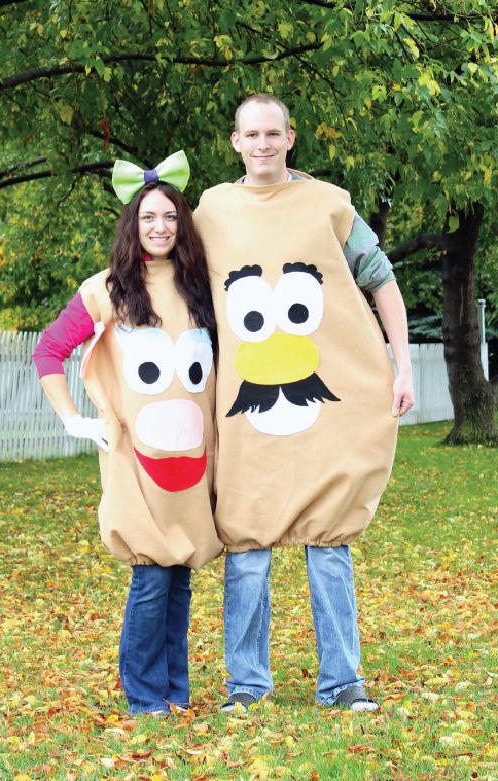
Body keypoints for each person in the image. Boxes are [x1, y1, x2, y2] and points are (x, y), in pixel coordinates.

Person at [193, 94, 415, 713]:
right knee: (248, 540)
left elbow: (382, 279)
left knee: (329, 536)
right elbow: (173, 276)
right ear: (234, 141)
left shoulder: (329, 204)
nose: (262, 143)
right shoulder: (213, 209)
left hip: (331, 399)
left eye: (273, 133)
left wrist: (401, 363)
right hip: (245, 407)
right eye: (250, 134)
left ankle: (342, 682)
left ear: (291, 138)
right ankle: (247, 686)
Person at [32, 151, 222, 717]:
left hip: (192, 455)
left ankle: (175, 691)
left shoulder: (200, 287)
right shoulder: (108, 289)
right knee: (151, 571)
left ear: (182, 224)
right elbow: (48, 350)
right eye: (148, 218)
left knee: (180, 573)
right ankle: (144, 698)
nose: (160, 227)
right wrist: (72, 418)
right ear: (131, 225)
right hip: (135, 456)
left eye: (169, 217)